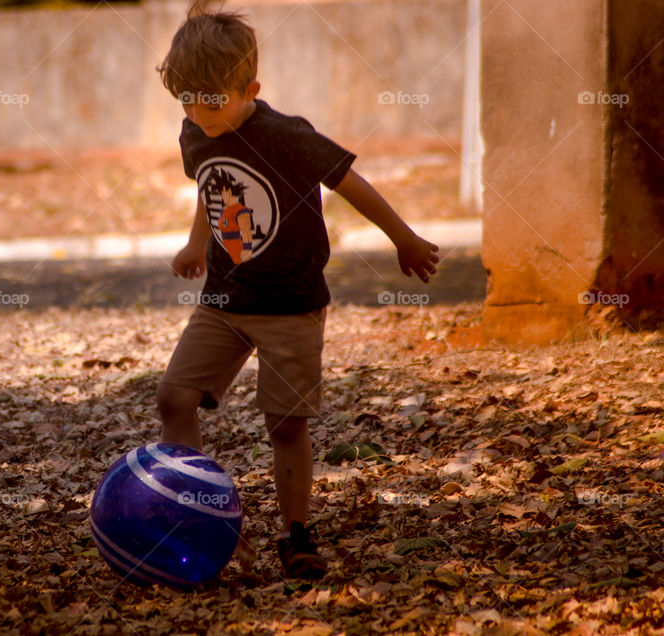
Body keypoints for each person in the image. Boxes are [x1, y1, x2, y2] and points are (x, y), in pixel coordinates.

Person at [156, 0, 440, 579]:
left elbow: (350, 183)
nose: (197, 110)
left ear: (249, 87)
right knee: (174, 399)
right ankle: (199, 516)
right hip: (224, 301)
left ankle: (295, 533)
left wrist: (404, 239)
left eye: (211, 99)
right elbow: (215, 189)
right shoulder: (196, 131)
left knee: (286, 424)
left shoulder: (287, 136)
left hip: (291, 306)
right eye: (186, 98)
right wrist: (194, 244)